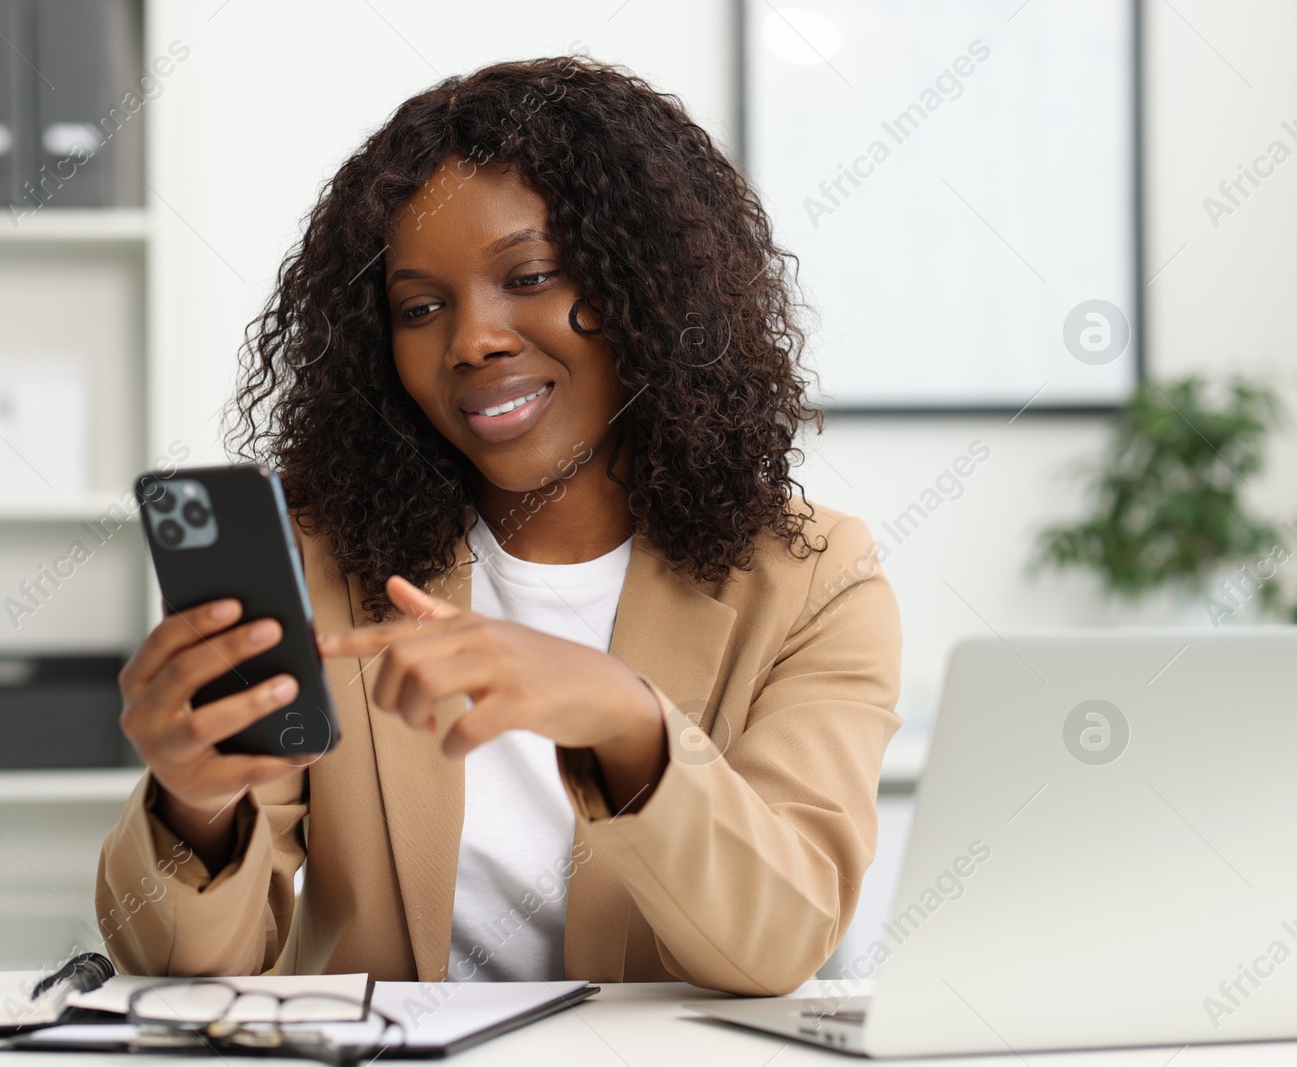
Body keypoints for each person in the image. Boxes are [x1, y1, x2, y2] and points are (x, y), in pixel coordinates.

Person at [97, 56, 901, 996]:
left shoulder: (816, 580)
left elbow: (779, 940)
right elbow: (178, 967)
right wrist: (193, 802)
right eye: (420, 306)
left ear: (648, 289)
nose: (472, 338)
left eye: (528, 275)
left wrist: (625, 718)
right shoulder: (320, 561)